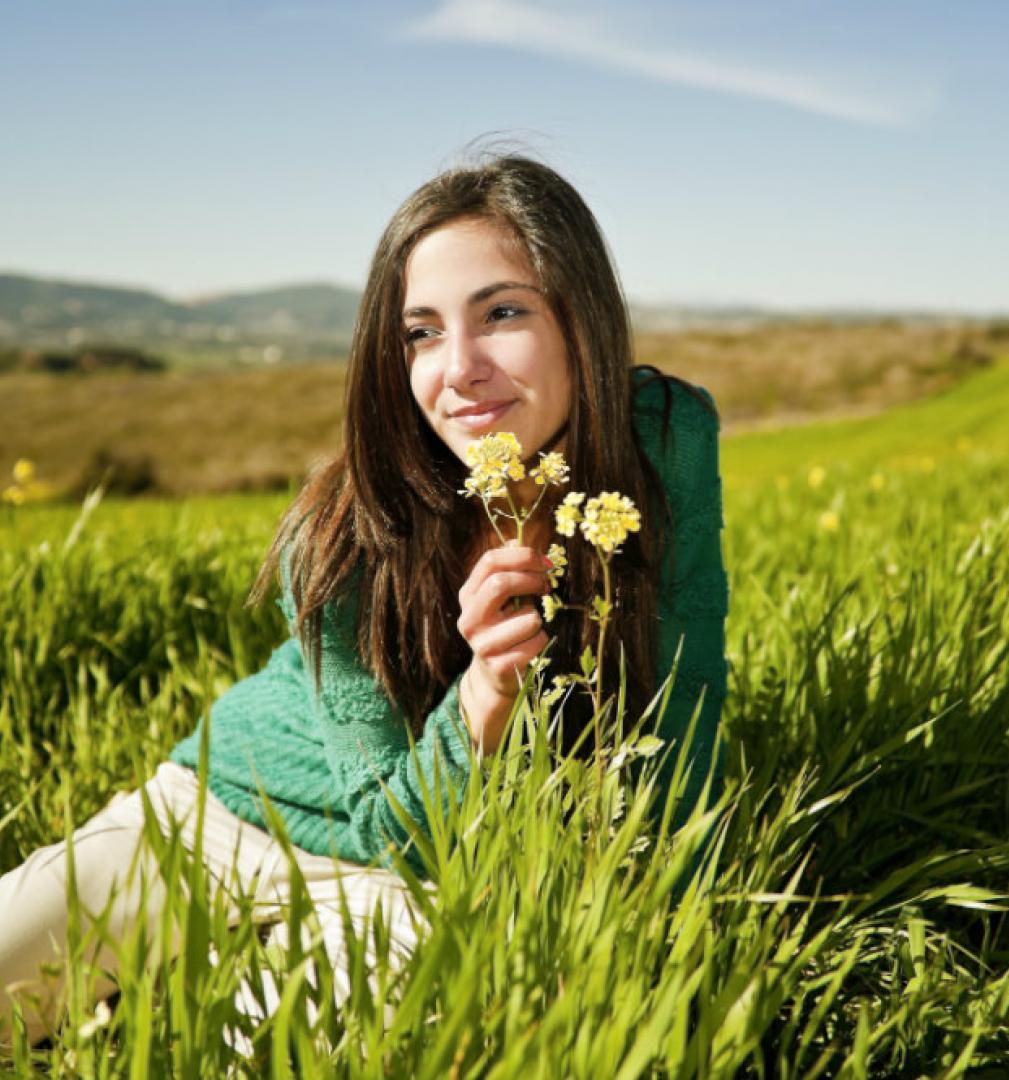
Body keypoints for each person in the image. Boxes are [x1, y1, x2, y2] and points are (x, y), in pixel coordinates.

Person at [0, 152, 729, 1046]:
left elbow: (686, 703)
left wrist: (667, 916)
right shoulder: (341, 531)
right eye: (421, 332)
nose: (458, 369)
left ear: (584, 318)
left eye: (502, 312)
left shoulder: (666, 441)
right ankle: (146, 968)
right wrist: (481, 699)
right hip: (216, 820)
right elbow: (382, 807)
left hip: (405, 882)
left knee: (260, 1056)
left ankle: (151, 1003)